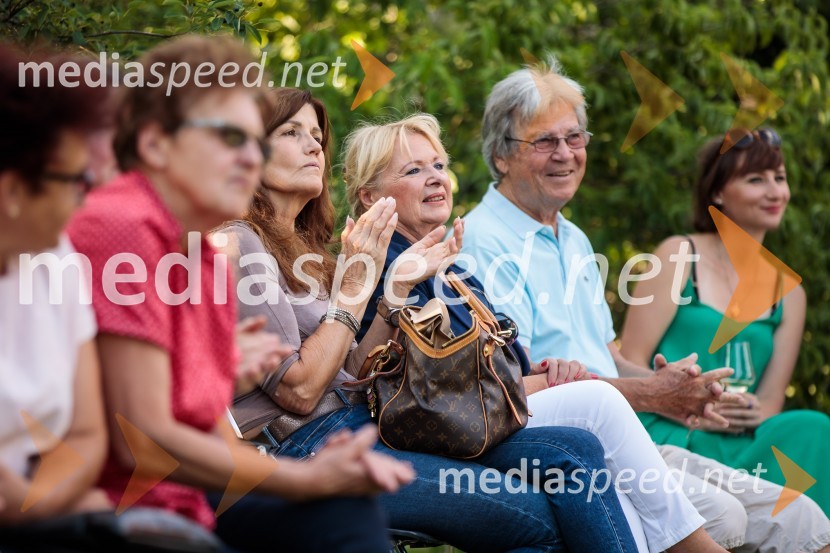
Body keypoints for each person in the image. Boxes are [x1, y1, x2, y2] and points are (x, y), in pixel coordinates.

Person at [213, 86, 641, 553]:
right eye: (291, 133)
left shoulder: (310, 250)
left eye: (317, 134)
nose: (315, 145)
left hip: (360, 426)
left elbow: (351, 373)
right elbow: (298, 389)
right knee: (539, 515)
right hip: (303, 449)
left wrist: (391, 296)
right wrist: (356, 292)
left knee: (573, 452)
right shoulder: (239, 243)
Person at [459, 56, 830, 552]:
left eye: (575, 138)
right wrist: (654, 396)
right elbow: (515, 383)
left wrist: (677, 385)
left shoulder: (571, 238)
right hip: (569, 447)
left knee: (803, 519)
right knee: (725, 517)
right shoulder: (481, 243)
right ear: (501, 155)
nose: (565, 154)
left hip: (630, 436)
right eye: (545, 141)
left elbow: (603, 355)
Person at [66, 35, 413, 553]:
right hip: (125, 512)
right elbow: (143, 436)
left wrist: (223, 367)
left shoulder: (203, 254)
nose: (249, 158)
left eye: (255, 140)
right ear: (157, 144)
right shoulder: (125, 226)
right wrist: (307, 481)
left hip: (195, 500)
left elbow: (212, 425)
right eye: (231, 137)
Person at [345, 113, 737, 553]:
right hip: (439, 431)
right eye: (413, 170)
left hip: (485, 416)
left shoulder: (451, 267)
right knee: (598, 402)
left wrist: (553, 371)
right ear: (369, 196)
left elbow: (504, 367)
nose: (434, 178)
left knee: (600, 460)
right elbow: (407, 379)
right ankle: (696, 546)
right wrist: (552, 382)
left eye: (438, 165)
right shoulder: (376, 267)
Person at [619, 128, 830, 515]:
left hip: (740, 438)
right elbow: (629, 361)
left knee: (814, 430)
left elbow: (771, 401)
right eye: (756, 179)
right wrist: (683, 399)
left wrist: (751, 409)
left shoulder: (790, 293)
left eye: (779, 178)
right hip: (674, 430)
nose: (774, 192)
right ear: (717, 193)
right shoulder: (678, 253)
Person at [0, 42, 112, 531]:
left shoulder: (56, 257)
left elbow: (87, 433)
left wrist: (39, 502)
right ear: (14, 191)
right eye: (75, 180)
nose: (84, 196)